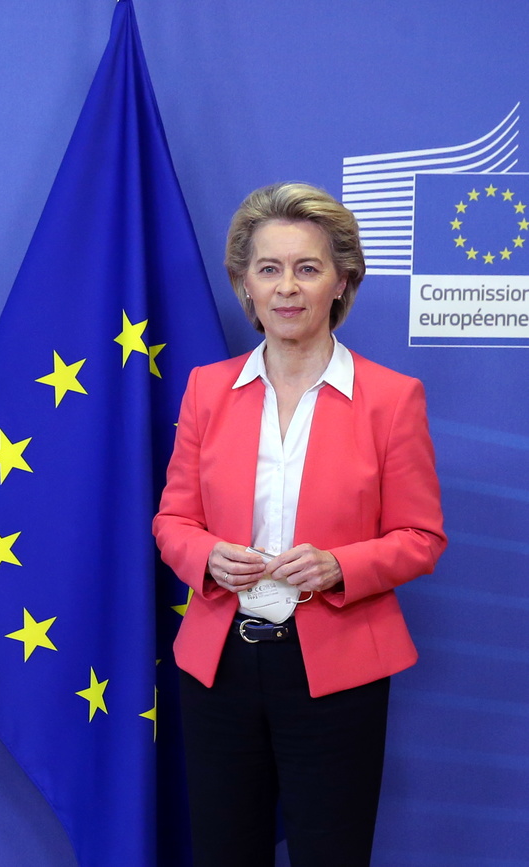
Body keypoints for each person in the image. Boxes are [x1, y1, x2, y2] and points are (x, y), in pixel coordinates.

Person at [153, 182, 445, 867]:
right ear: (243, 286)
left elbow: (421, 536)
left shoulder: (392, 399)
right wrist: (207, 556)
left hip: (338, 665)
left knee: (331, 852)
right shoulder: (205, 389)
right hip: (217, 663)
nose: (288, 287)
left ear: (341, 282)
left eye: (308, 268)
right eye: (269, 268)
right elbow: (172, 519)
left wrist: (340, 565)